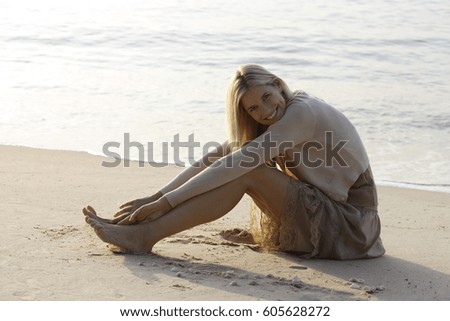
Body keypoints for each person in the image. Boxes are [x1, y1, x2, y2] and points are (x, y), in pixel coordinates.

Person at [83, 64, 385, 260]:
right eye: (253, 108)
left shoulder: (302, 112)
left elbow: (237, 165)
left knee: (246, 172)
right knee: (237, 161)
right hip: (331, 213)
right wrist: (157, 196)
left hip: (352, 224)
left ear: (279, 85)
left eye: (267, 97)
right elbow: (218, 155)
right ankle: (143, 228)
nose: (265, 111)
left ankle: (144, 236)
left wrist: (167, 204)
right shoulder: (275, 120)